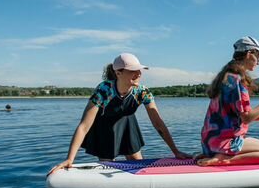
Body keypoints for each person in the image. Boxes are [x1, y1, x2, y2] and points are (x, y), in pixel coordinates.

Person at [49, 53, 190, 174]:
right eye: (133, 70)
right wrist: (70, 159)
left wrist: (176, 152)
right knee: (107, 166)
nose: (139, 74)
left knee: (138, 165)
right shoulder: (104, 90)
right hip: (105, 128)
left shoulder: (142, 92)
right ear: (118, 73)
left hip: (128, 124)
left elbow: (158, 123)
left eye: (140, 70)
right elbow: (84, 126)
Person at [198, 37, 259, 166]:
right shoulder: (237, 81)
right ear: (249, 54)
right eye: (258, 57)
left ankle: (217, 155)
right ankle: (224, 159)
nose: (258, 62)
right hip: (225, 142)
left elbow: (233, 117)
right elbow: (246, 118)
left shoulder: (226, 77)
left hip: (209, 143)